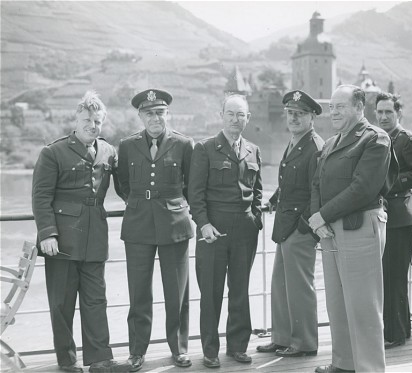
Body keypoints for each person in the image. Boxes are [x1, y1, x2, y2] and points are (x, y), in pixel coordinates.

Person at [32, 91, 130, 373]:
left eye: (98, 120)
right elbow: (40, 197)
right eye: (87, 119)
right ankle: (67, 360)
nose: (92, 125)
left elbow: (124, 190)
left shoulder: (109, 151)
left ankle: (100, 359)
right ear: (76, 120)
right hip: (61, 238)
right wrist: (47, 234)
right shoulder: (53, 152)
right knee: (62, 302)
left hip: (95, 235)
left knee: (96, 299)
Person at [309, 85, 394, 373]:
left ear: (359, 108)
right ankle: (344, 365)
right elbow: (317, 184)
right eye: (331, 107)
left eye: (340, 107)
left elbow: (363, 188)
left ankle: (369, 368)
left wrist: (322, 215)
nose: (333, 112)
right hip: (330, 230)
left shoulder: (375, 139)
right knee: (338, 304)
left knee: (363, 307)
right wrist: (317, 219)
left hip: (360, 229)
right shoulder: (332, 143)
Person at [117, 89, 194, 370]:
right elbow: (122, 183)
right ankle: (137, 351)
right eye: (149, 113)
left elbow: (191, 185)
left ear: (167, 114)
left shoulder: (184, 144)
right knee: (139, 293)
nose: (155, 118)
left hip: (174, 224)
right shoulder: (126, 146)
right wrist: (140, 204)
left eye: (160, 112)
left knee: (177, 292)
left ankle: (179, 348)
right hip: (138, 225)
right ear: (140, 116)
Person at [188, 94, 263, 368]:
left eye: (240, 115)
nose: (235, 119)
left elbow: (257, 192)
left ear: (248, 118)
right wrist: (203, 224)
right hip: (213, 231)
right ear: (222, 115)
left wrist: (255, 219)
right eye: (230, 114)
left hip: (244, 231)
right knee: (211, 292)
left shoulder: (253, 150)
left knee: (240, 291)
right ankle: (210, 350)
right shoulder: (205, 149)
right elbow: (194, 194)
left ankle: (238, 347)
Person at [256, 90, 324, 357]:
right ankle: (282, 338)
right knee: (280, 285)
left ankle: (305, 343)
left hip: (299, 227)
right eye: (291, 113)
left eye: (301, 114)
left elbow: (317, 190)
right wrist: (273, 199)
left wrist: (305, 226)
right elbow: (288, 184)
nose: (294, 118)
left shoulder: (315, 146)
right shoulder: (296, 141)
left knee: (299, 288)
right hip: (286, 225)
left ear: (312, 117)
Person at [375, 92, 412, 349]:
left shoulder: (407, 140)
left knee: (393, 276)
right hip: (385, 216)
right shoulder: (378, 139)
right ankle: (401, 330)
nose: (384, 116)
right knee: (386, 276)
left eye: (389, 112)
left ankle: (395, 335)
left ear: (399, 113)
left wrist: (390, 184)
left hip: (401, 216)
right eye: (380, 112)